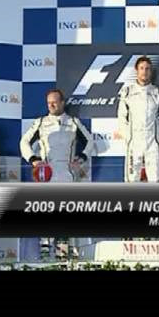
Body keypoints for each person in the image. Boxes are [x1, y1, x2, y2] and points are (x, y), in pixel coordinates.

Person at [20, 88, 95, 259]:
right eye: (49, 103)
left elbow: (90, 141)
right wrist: (33, 159)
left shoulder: (73, 122)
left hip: (67, 175)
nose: (51, 105)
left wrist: (81, 158)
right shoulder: (41, 122)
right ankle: (45, 256)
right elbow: (24, 142)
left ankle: (62, 256)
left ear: (62, 103)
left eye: (54, 102)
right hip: (47, 175)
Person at [118, 56, 159, 182]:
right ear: (136, 70)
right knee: (131, 179)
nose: (144, 71)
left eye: (147, 69)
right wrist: (128, 136)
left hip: (153, 142)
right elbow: (122, 116)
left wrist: (158, 134)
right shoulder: (127, 92)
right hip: (134, 142)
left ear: (151, 71)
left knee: (156, 179)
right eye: (141, 68)